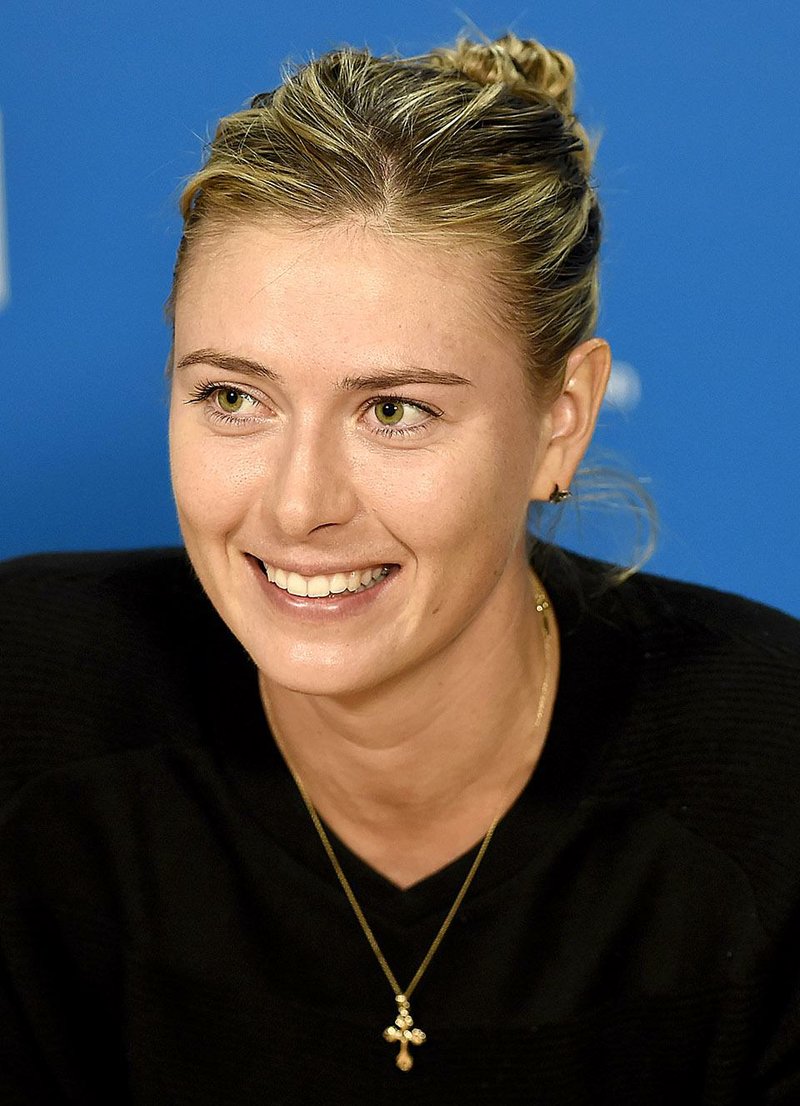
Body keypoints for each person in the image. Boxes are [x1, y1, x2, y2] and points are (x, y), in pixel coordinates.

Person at [1, 31, 799, 1106]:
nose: (296, 504)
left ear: (558, 422)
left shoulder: (767, 766)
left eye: (393, 410)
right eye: (233, 397)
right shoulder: (30, 704)